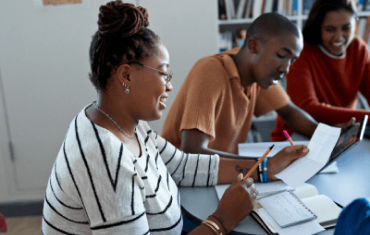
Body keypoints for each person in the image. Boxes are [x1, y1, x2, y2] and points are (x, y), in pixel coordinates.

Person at [41, 1, 264, 234]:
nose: (169, 86)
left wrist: (266, 167)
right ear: (126, 75)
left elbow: (181, 166)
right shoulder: (107, 158)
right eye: (164, 74)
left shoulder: (122, 123)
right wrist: (224, 218)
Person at [161, 13, 344, 182]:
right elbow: (193, 151)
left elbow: (289, 112)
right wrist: (266, 165)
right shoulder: (211, 71)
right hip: (184, 178)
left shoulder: (257, 75)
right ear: (253, 46)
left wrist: (331, 138)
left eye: (292, 60)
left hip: (223, 174)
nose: (286, 69)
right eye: (281, 56)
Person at [271, 0, 370, 141]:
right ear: (318, 28)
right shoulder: (302, 52)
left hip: (342, 133)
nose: (339, 37)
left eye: (346, 28)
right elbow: (307, 107)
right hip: (298, 136)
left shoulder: (359, 49)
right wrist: (366, 117)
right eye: (330, 29)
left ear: (356, 23)